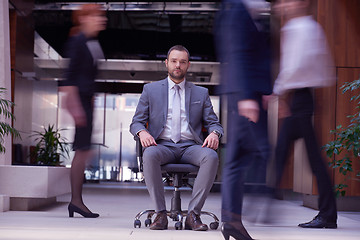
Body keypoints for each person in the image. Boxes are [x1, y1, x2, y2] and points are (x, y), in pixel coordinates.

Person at [130, 45, 224, 231]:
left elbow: (214, 123)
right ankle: (161, 214)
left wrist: (215, 133)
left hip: (191, 147)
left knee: (211, 156)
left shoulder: (201, 93)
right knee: (149, 154)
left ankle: (193, 214)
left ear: (188, 65)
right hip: (162, 145)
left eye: (182, 62)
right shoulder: (150, 90)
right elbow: (136, 123)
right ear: (166, 63)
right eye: (174, 61)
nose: (177, 65)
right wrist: (142, 132)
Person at [272, 0, 337, 228]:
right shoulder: (308, 28)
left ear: (299, 3)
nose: (282, 5)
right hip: (302, 96)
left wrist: (278, 92)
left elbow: (294, 66)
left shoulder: (300, 29)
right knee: (284, 153)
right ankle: (264, 203)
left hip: (299, 97)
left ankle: (263, 204)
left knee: (311, 160)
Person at [215, 0, 272, 239]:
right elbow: (237, 53)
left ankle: (232, 220)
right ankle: (240, 215)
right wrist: (247, 97)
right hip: (245, 94)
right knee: (258, 153)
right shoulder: (238, 9)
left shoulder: (243, 9)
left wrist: (265, 90)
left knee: (240, 158)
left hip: (249, 93)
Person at [59, 4, 107, 218]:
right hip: (80, 102)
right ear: (86, 17)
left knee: (84, 150)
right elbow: (68, 77)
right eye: (98, 16)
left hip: (87, 101)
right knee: (82, 150)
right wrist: (75, 108)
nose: (102, 20)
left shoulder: (91, 42)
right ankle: (76, 201)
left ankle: (76, 201)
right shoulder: (78, 41)